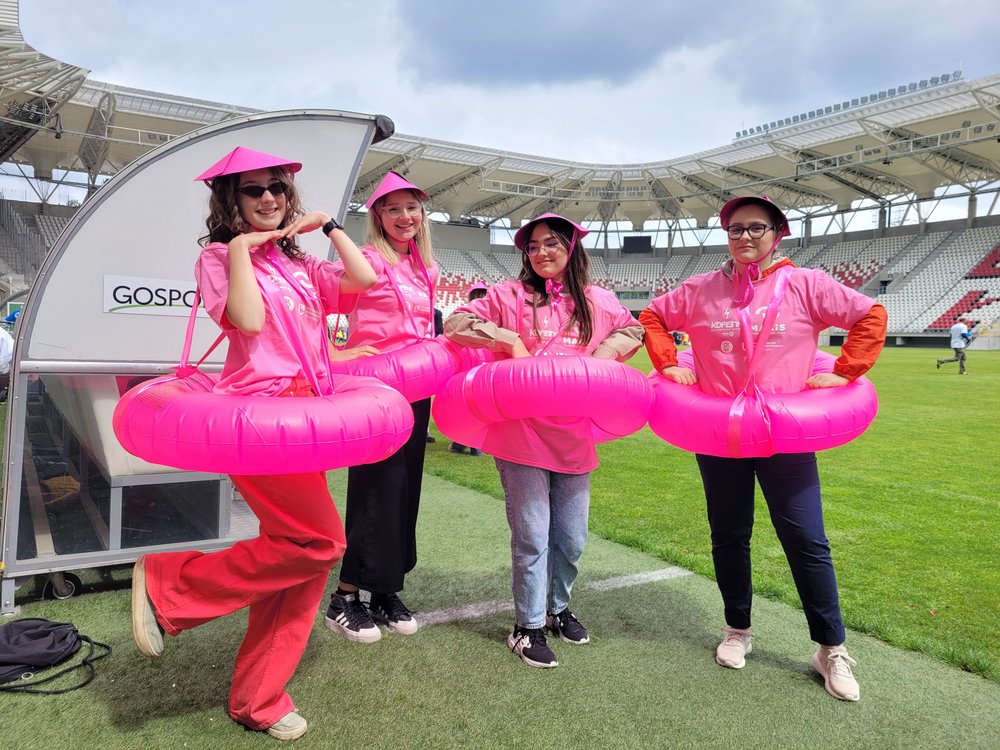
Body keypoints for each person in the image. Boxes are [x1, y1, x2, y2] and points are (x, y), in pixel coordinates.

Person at [130, 145, 376, 741]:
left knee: (299, 564)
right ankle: (172, 585)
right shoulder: (221, 256)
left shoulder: (299, 262)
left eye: (278, 188)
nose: (269, 198)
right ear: (229, 200)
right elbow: (248, 322)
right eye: (253, 190)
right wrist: (242, 247)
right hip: (261, 419)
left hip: (307, 418)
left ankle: (258, 699)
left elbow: (364, 281)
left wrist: (333, 227)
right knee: (321, 542)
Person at [640, 196, 887, 702]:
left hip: (785, 435)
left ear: (778, 233)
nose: (744, 237)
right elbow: (652, 317)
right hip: (720, 434)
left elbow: (870, 313)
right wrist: (668, 363)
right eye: (734, 230)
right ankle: (738, 629)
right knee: (729, 535)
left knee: (806, 539)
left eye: (756, 228)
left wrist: (844, 371)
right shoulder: (703, 288)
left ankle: (830, 647)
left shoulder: (806, 284)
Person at [445, 213, 643, 668]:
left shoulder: (597, 300)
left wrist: (604, 354)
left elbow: (633, 328)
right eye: (532, 247)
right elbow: (455, 322)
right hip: (519, 435)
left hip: (574, 436)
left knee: (571, 539)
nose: (542, 253)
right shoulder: (507, 295)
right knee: (533, 535)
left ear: (572, 248)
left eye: (552, 243)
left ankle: (557, 609)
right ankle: (527, 626)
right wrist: (505, 336)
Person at [325, 171, 439, 643]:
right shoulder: (367, 260)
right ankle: (345, 595)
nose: (404, 216)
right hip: (374, 393)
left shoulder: (426, 268)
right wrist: (333, 354)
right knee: (375, 488)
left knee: (405, 491)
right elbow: (312, 305)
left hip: (418, 391)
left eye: (411, 207)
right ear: (378, 217)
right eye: (392, 209)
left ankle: (386, 590)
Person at [449, 282, 488, 456]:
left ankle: (463, 443)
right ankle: (475, 444)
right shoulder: (491, 314)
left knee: (464, 406)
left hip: (466, 364)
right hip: (485, 365)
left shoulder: (462, 312)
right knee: (480, 406)